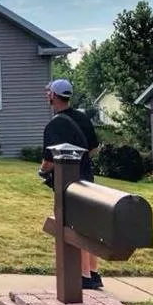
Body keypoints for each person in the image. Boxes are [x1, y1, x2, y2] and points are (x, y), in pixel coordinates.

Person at [40, 78, 102, 289]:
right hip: (87, 179)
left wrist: (42, 171)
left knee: (74, 228)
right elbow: (93, 148)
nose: (47, 95)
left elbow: (48, 161)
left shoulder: (54, 125)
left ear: (53, 96)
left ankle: (83, 276)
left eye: (48, 92)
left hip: (68, 183)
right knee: (89, 226)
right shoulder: (82, 118)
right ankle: (94, 273)